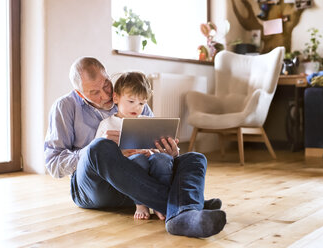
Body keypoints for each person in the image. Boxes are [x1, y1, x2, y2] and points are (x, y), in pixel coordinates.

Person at [44, 57, 226, 238]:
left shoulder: (131, 98)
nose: (105, 95)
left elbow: (153, 148)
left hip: (138, 186)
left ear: (108, 76)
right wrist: (104, 150)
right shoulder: (64, 107)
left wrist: (169, 152)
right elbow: (53, 164)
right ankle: (187, 205)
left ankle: (184, 213)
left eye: (106, 85)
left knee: (194, 158)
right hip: (95, 188)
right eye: (94, 92)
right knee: (99, 147)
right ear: (79, 92)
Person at [95, 71, 173, 220]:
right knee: (138, 160)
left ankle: (160, 203)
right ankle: (141, 203)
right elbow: (99, 156)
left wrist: (154, 151)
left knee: (163, 160)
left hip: (150, 161)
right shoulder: (107, 124)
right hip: (128, 167)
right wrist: (122, 154)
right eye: (131, 101)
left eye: (142, 103)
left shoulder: (146, 120)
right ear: (116, 97)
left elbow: (156, 148)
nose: (137, 107)